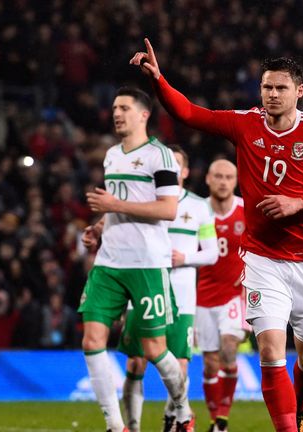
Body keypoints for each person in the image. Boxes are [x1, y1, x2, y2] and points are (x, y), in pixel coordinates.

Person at [131, 38, 303, 432]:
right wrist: (159, 80)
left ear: (299, 92)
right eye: (267, 87)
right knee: (271, 352)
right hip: (262, 259)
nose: (272, 94)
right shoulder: (245, 123)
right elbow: (189, 113)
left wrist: (300, 203)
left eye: (281, 87)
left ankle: (299, 405)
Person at [79, 87, 190, 432]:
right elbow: (119, 205)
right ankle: (116, 426)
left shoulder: (161, 156)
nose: (117, 113)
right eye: (114, 107)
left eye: (125, 107)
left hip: (147, 264)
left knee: (155, 349)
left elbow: (168, 209)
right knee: (91, 339)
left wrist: (114, 207)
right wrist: (99, 227)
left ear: (144, 115)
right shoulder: (112, 155)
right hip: (109, 262)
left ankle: (183, 409)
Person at [118, 145, 219, 432]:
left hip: (183, 295)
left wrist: (184, 258)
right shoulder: (144, 203)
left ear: (185, 171)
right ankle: (133, 426)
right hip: (143, 289)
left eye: (177, 164)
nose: (172, 169)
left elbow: (212, 253)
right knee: (135, 363)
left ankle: (172, 418)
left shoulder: (200, 206)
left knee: (181, 365)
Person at [194, 159, 249, 432]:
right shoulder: (196, 212)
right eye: (218, 176)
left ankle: (223, 418)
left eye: (229, 177)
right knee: (209, 365)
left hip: (236, 296)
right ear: (208, 179)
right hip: (203, 296)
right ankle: (217, 422)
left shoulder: (246, 211)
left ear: (235, 181)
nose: (223, 181)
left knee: (229, 349)